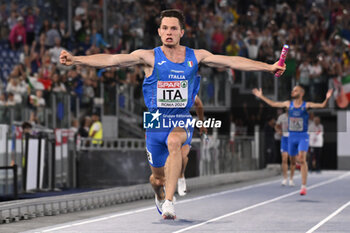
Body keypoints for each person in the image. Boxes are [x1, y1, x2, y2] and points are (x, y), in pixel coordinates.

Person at [60, 9, 286, 219]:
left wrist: (268, 66)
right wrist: (77, 60)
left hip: (180, 118)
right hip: (155, 122)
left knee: (175, 141)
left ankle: (169, 201)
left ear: (182, 32)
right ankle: (160, 194)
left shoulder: (196, 56)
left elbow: (231, 61)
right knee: (157, 178)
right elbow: (112, 60)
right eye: (165, 28)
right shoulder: (148, 56)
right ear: (159, 31)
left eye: (173, 28)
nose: (169, 32)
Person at [252, 86, 333, 195]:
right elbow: (273, 104)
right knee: (292, 160)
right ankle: (293, 173)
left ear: (301, 93)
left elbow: (322, 105)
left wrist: (327, 98)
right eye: (292, 90)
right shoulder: (288, 104)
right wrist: (261, 96)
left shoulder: (306, 105)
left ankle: (303, 186)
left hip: (303, 136)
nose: (292, 91)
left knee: (302, 159)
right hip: (291, 137)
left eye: (295, 90)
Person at [177, 95, 207, 196]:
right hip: (166, 121)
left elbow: (198, 103)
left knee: (182, 154)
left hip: (182, 123)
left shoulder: (186, 85)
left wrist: (202, 123)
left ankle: (180, 177)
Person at [275, 108, 295, 186]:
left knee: (292, 160)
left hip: (292, 139)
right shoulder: (281, 117)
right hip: (285, 139)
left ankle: (291, 179)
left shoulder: (295, 116)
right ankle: (285, 178)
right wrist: (279, 131)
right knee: (284, 158)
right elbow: (276, 126)